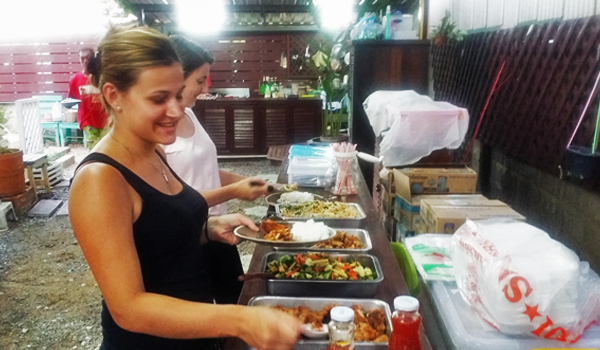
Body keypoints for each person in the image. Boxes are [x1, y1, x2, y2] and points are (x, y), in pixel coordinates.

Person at [68, 25, 302, 350]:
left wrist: (208, 228)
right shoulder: (100, 179)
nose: (177, 110)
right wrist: (241, 319)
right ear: (113, 95)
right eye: (158, 99)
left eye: (178, 94)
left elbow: (158, 239)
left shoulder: (156, 152)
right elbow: (129, 308)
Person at [162, 36, 272, 304]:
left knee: (236, 300)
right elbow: (169, 200)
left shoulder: (189, 114)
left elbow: (208, 169)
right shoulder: (161, 130)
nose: (204, 87)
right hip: (189, 236)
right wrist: (234, 191)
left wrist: (251, 182)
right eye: (200, 80)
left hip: (218, 229)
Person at [67, 47, 108, 149]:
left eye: (88, 58)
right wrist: (68, 105)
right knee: (94, 148)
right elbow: (71, 99)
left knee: (107, 147)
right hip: (88, 120)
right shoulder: (75, 80)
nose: (85, 61)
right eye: (82, 58)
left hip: (105, 118)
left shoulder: (103, 77)